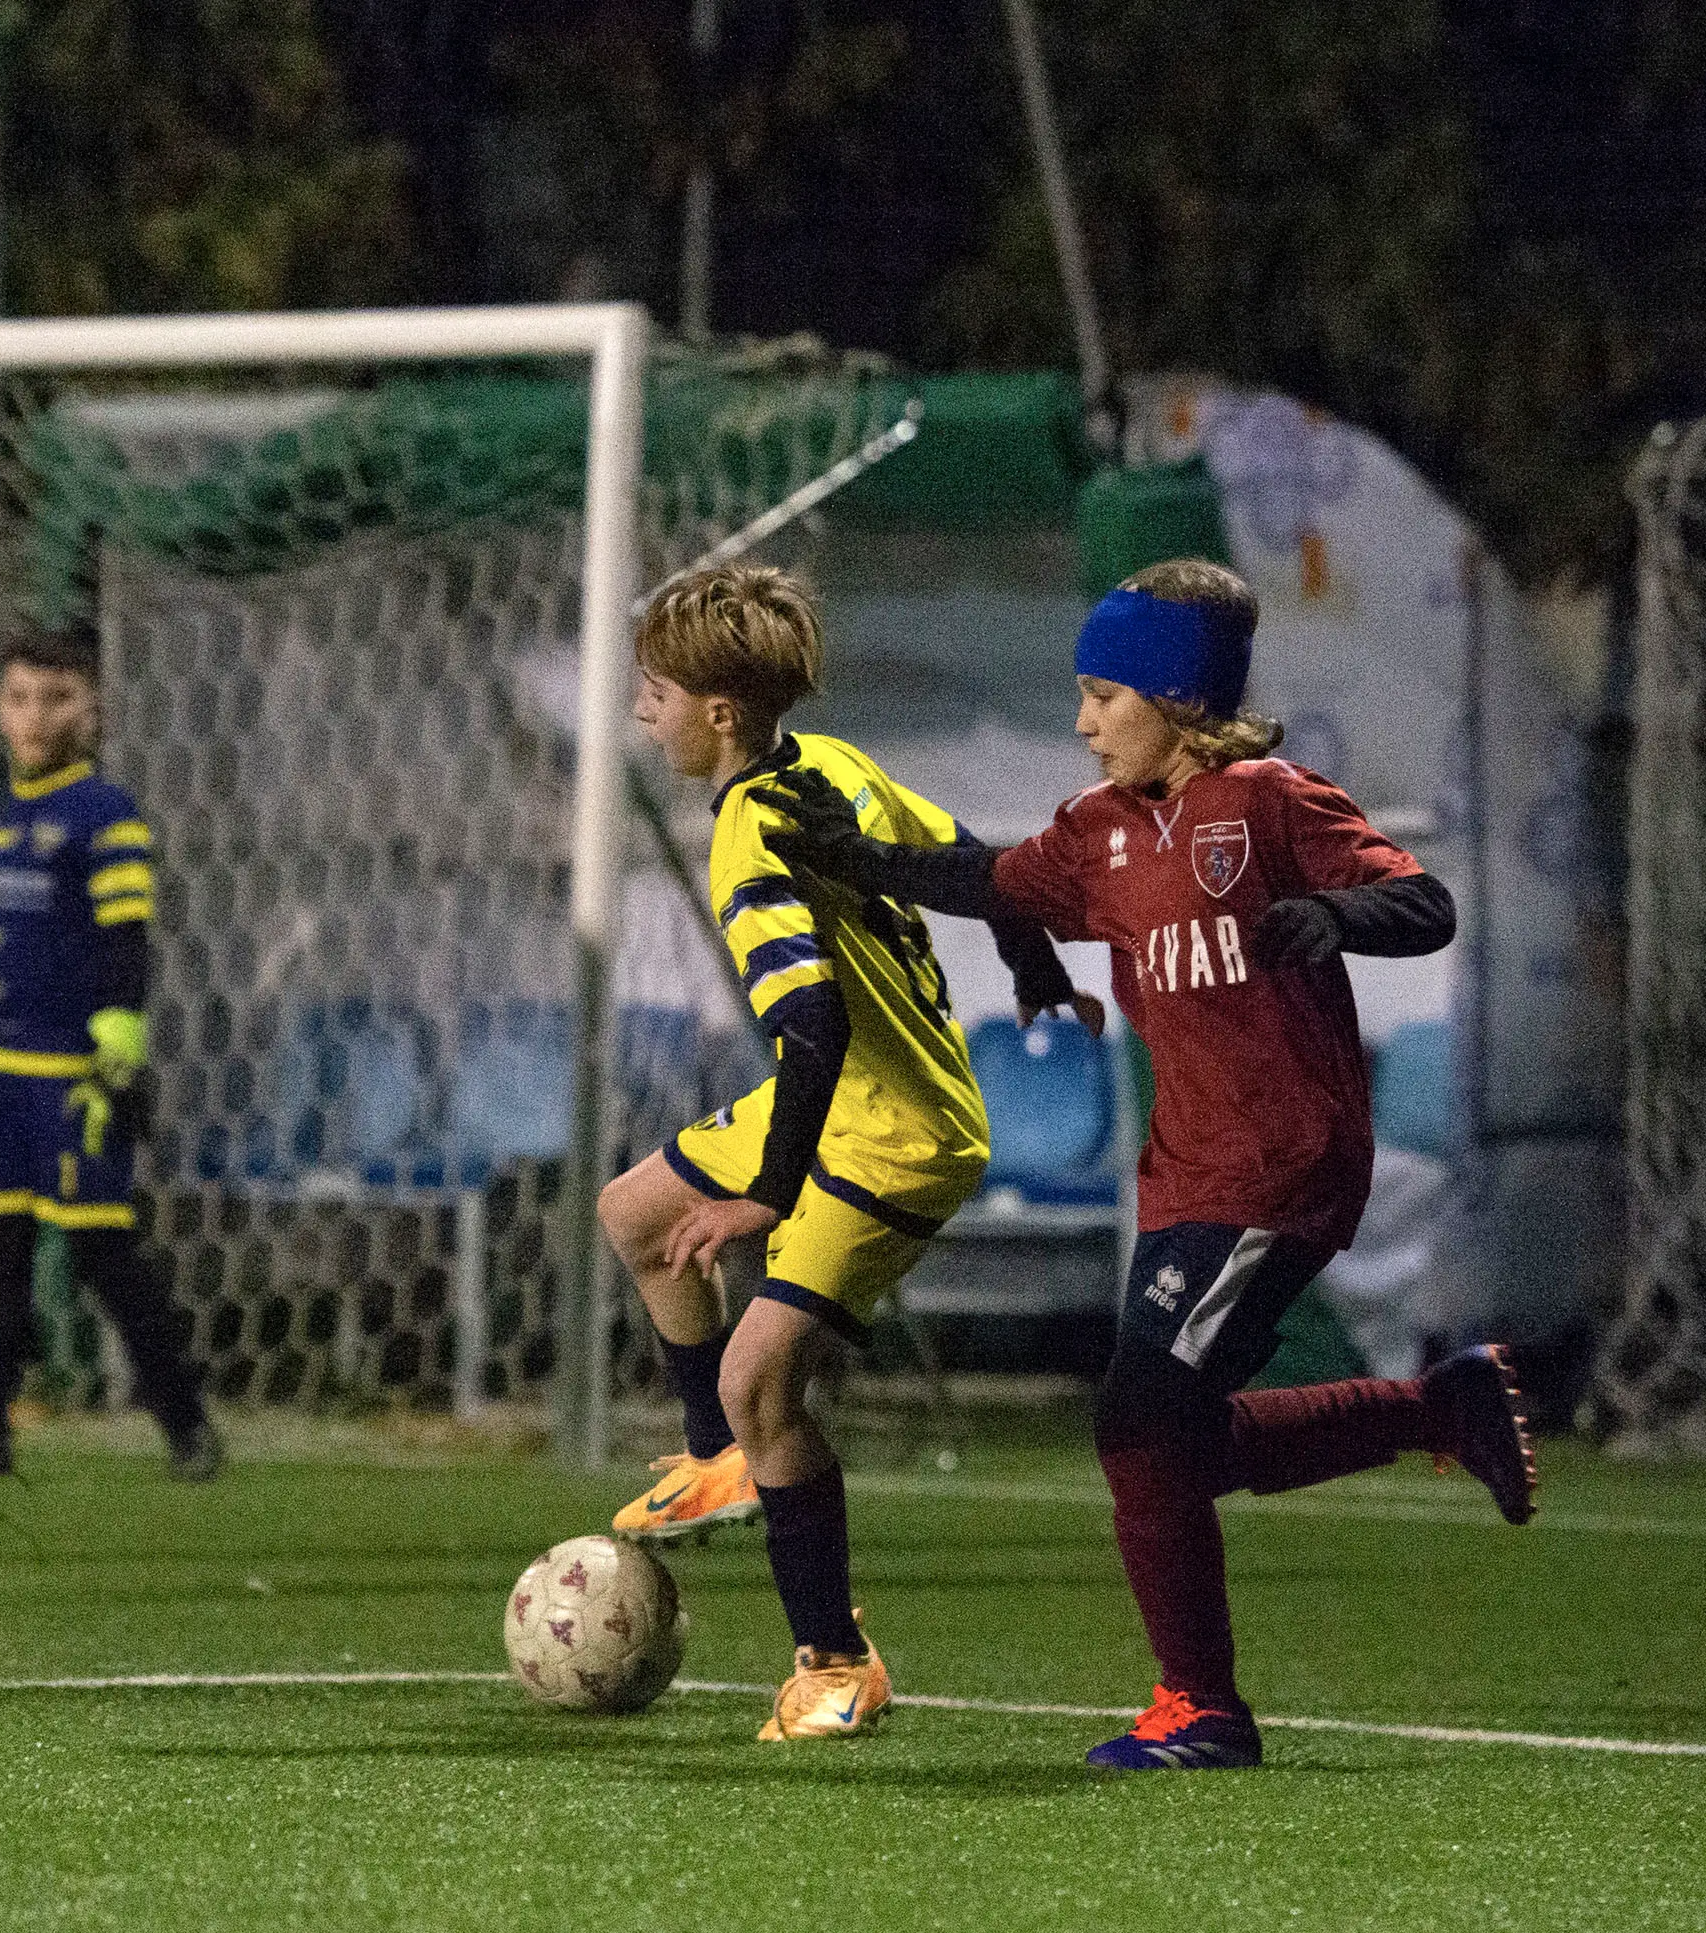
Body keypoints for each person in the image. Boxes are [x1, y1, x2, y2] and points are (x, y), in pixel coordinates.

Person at [755, 557, 1534, 1772]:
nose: (1081, 721)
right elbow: (988, 881)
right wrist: (853, 855)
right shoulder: (1098, 833)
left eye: (1100, 693)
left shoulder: (1269, 802)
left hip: (1285, 1163)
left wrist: (1337, 917)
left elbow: (1422, 904)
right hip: (1186, 1176)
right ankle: (1434, 1410)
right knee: (1161, 1441)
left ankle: (1203, 1709)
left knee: (1136, 1426)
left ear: (1174, 698)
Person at [602, 563, 1086, 1741]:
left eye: (653, 691)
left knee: (760, 1376)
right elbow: (986, 867)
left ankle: (833, 1662)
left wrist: (767, 1198)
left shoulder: (747, 835)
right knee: (633, 1213)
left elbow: (809, 1024)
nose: (638, 711)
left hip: (898, 1132)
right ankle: (718, 1463)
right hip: (841, 1094)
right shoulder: (835, 766)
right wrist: (1032, 969)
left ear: (718, 715)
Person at [0, 625, 217, 1480]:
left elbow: (125, 940)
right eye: (19, 696)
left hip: (70, 1076)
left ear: (91, 711)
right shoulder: (0, 815)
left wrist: (118, 1047)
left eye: (56, 697)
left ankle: (185, 1422)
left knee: (105, 1257)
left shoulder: (105, 815)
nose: (34, 715)